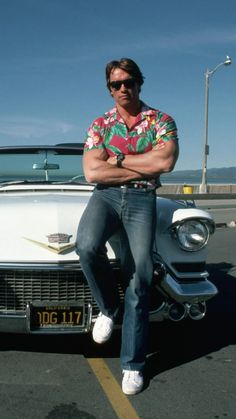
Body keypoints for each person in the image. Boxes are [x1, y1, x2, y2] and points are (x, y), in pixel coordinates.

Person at [76, 58, 179, 395]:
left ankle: (132, 364)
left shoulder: (161, 121)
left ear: (139, 83)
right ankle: (108, 308)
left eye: (128, 82)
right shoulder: (99, 124)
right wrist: (142, 166)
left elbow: (165, 162)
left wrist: (115, 160)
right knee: (86, 246)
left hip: (141, 201)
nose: (122, 89)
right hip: (104, 197)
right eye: (115, 84)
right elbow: (93, 172)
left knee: (140, 277)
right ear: (109, 88)